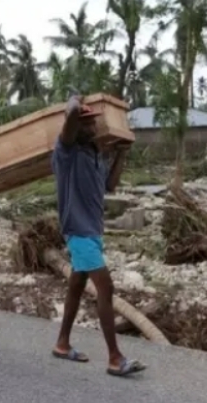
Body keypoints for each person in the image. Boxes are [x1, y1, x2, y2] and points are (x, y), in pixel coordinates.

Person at [50, 95, 146, 377]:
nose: (94, 126)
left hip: (93, 232)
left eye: (94, 122)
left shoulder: (94, 155)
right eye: (88, 122)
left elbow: (110, 185)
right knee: (106, 288)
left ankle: (62, 343)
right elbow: (68, 118)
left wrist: (121, 154)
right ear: (77, 126)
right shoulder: (65, 153)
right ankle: (115, 358)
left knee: (76, 287)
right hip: (78, 231)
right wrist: (73, 104)